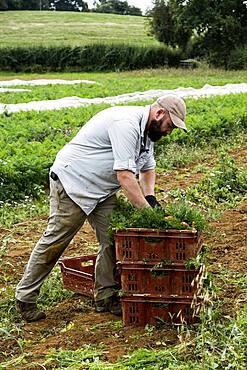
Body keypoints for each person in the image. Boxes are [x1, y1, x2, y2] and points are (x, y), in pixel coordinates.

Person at [15, 94, 187, 322]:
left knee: (113, 239)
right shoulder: (126, 124)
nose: (169, 131)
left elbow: (147, 168)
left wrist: (152, 199)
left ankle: (105, 296)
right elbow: (125, 176)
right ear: (159, 113)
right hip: (73, 183)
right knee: (56, 241)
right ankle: (25, 297)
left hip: (102, 190)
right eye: (170, 126)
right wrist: (148, 214)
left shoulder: (147, 134)